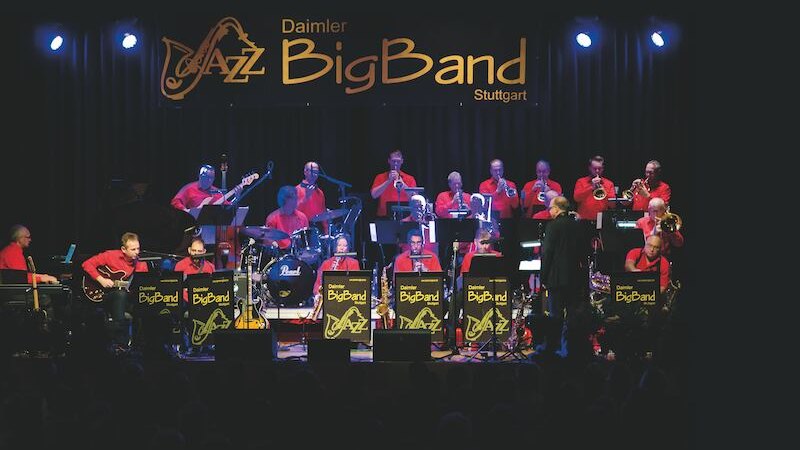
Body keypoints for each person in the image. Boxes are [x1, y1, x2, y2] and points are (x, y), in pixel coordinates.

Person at [539, 196, 589, 360]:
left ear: (557, 209)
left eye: (551, 208)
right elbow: (584, 252)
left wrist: (543, 276)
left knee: (555, 316)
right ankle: (573, 348)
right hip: (575, 277)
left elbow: (547, 253)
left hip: (556, 277)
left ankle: (552, 348)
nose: (549, 211)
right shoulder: (577, 225)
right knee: (573, 315)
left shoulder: (553, 226)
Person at [81, 232, 149, 350]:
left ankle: (141, 344)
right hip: (104, 295)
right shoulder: (110, 255)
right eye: (133, 249)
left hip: (127, 298)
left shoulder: (141, 265)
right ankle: (120, 342)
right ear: (123, 249)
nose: (137, 252)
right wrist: (101, 279)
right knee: (120, 294)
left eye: (138, 248)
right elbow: (87, 264)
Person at [310, 234, 361, 320]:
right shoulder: (327, 263)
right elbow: (318, 283)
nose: (342, 248)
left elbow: (357, 285)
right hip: (328, 302)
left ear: (348, 248)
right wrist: (317, 295)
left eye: (345, 246)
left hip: (346, 301)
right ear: (335, 247)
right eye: (339, 245)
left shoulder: (354, 263)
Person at [170, 164, 241, 211]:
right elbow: (175, 202)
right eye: (207, 177)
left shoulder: (217, 192)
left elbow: (227, 208)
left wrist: (236, 197)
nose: (209, 180)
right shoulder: (189, 188)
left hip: (212, 228)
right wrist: (186, 211)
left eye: (212, 178)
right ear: (200, 176)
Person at [371, 150, 418, 218]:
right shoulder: (380, 177)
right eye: (393, 161)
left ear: (402, 161)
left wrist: (403, 184)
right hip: (384, 215)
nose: (395, 164)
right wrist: (388, 181)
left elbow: (415, 198)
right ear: (389, 161)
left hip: (405, 215)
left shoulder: (410, 178)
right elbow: (374, 195)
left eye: (398, 161)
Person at [264, 185, 309, 250]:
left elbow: (306, 238)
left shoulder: (302, 217)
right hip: (281, 254)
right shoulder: (272, 218)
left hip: (299, 253)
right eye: (293, 198)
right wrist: (274, 244)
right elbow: (267, 240)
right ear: (284, 199)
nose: (296, 200)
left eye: (296, 197)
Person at [573, 155, 616, 221]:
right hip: (584, 218)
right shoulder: (581, 181)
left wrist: (604, 190)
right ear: (590, 168)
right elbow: (576, 198)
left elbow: (613, 205)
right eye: (594, 168)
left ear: (603, 168)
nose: (597, 171)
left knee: (600, 230)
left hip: (601, 219)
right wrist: (591, 187)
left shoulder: (609, 183)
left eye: (600, 168)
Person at [174, 237, 214, 301]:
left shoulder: (210, 267)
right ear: (189, 250)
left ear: (204, 251)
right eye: (194, 250)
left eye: (199, 251)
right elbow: (177, 289)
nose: (196, 253)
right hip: (186, 305)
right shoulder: (180, 265)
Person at [296, 161, 329, 234]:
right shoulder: (296, 190)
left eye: (316, 171)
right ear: (305, 172)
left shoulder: (320, 192)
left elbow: (323, 214)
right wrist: (306, 197)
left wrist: (326, 232)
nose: (315, 174)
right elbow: (293, 212)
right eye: (312, 171)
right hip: (302, 229)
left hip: (318, 230)